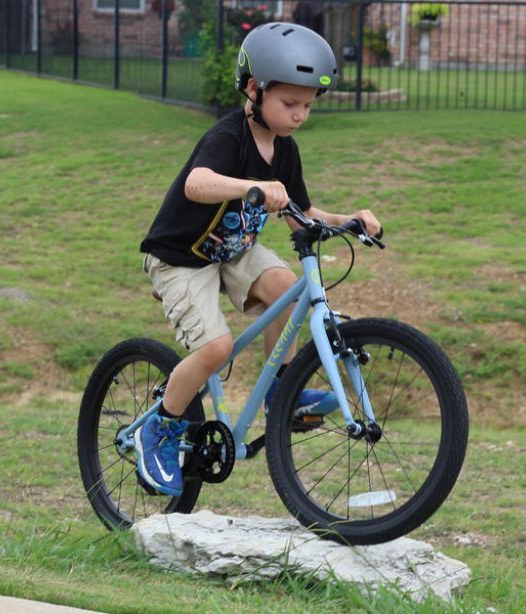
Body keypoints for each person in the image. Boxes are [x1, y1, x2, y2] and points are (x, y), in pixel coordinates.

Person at [135, 22, 381, 497]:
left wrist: (350, 221)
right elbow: (196, 183)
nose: (300, 115)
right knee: (215, 350)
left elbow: (301, 214)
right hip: (180, 259)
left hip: (232, 252)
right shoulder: (229, 136)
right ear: (254, 89)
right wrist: (251, 186)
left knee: (287, 288)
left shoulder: (285, 151)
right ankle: (159, 430)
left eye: (308, 105)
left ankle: (281, 394)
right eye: (290, 103)